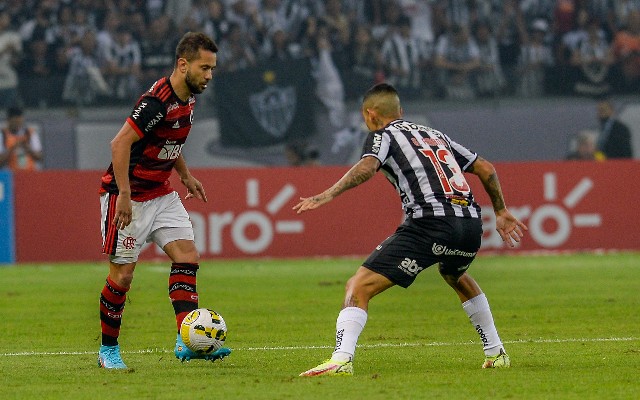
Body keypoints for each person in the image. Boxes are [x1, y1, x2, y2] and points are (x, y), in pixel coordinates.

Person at [294, 82, 527, 376]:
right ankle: (496, 352)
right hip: (469, 224)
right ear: (400, 111)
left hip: (430, 223)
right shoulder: (435, 134)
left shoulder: (383, 135)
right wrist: (501, 211)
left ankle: (340, 360)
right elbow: (486, 168)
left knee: (358, 286)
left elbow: (367, 167)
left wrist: (327, 194)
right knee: (454, 274)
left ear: (370, 114)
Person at [97, 32, 230, 369]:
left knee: (187, 256)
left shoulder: (189, 99)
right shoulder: (156, 102)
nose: (209, 76)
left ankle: (185, 339)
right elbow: (119, 144)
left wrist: (184, 174)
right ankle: (108, 351)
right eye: (204, 68)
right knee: (122, 278)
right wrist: (124, 195)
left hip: (161, 193)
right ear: (183, 64)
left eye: (212, 69)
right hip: (128, 197)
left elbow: (170, 140)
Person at [0, 107, 43, 171]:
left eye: (20, 122)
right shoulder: (3, 135)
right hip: (10, 175)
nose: (18, 125)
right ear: (9, 120)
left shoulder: (30, 134)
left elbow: (40, 157)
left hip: (30, 173)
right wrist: (12, 148)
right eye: (15, 122)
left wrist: (27, 148)